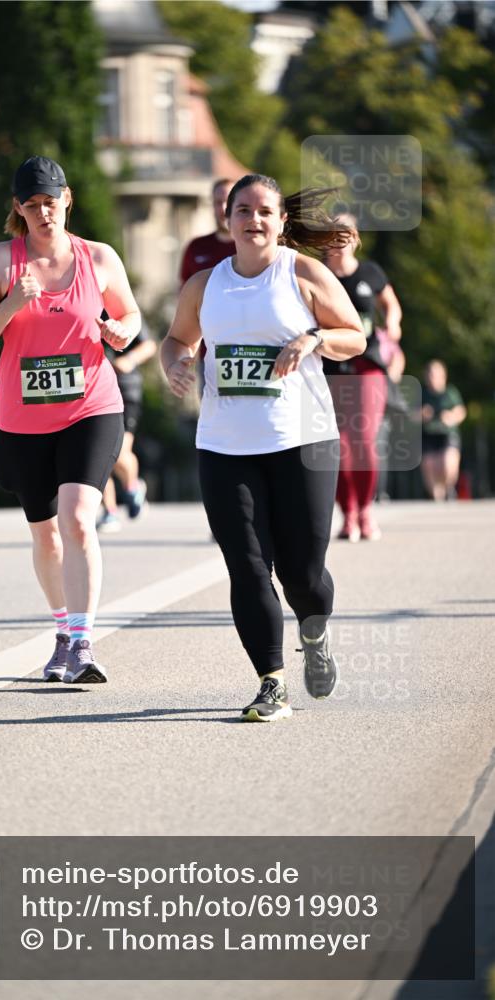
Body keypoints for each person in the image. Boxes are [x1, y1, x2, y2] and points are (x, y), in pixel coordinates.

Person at [161, 174, 365, 723]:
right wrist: (176, 364)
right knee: (248, 566)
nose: (254, 220)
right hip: (224, 446)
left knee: (302, 574)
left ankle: (314, 631)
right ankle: (271, 681)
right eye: (243, 210)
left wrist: (313, 338)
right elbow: (177, 339)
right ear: (227, 219)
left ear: (281, 221)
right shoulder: (205, 285)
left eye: (264, 211)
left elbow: (355, 335)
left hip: (302, 440)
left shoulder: (303, 273)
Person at [0, 155, 140, 684]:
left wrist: (122, 331)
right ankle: (63, 631)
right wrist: (11, 304)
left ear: (68, 201)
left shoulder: (98, 257)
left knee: (78, 518)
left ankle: (83, 644)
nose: (45, 213)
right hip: (22, 421)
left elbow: (130, 315)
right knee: (45, 536)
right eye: (33, 205)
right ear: (18, 209)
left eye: (52, 202)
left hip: (91, 407)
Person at [324, 214, 403, 541]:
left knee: (363, 439)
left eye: (346, 234)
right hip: (330, 366)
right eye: (333, 234)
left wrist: (393, 324)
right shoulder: (317, 274)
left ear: (356, 239)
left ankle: (366, 509)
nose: (339, 240)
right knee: (338, 444)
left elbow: (391, 305)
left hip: (367, 363)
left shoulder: (370, 272)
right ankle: (348, 513)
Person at [98, 320, 157, 533]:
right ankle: (109, 511)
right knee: (97, 455)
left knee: (120, 453)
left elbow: (149, 345)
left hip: (124, 389)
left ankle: (132, 486)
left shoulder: (120, 307)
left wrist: (129, 360)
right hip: (92, 390)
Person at [179, 178, 236, 395]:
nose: (223, 208)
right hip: (210, 354)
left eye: (229, 201)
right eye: (218, 202)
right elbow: (184, 301)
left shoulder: (254, 249)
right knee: (212, 412)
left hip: (256, 351)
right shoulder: (196, 248)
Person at [420, 359, 466, 500]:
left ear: (443, 376)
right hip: (428, 435)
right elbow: (411, 415)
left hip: (447, 434)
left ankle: (449, 488)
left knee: (447, 464)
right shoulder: (422, 394)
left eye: (435, 374)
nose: (432, 378)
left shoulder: (450, 392)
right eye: (430, 374)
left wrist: (451, 416)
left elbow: (461, 411)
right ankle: (437, 499)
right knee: (429, 466)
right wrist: (421, 414)